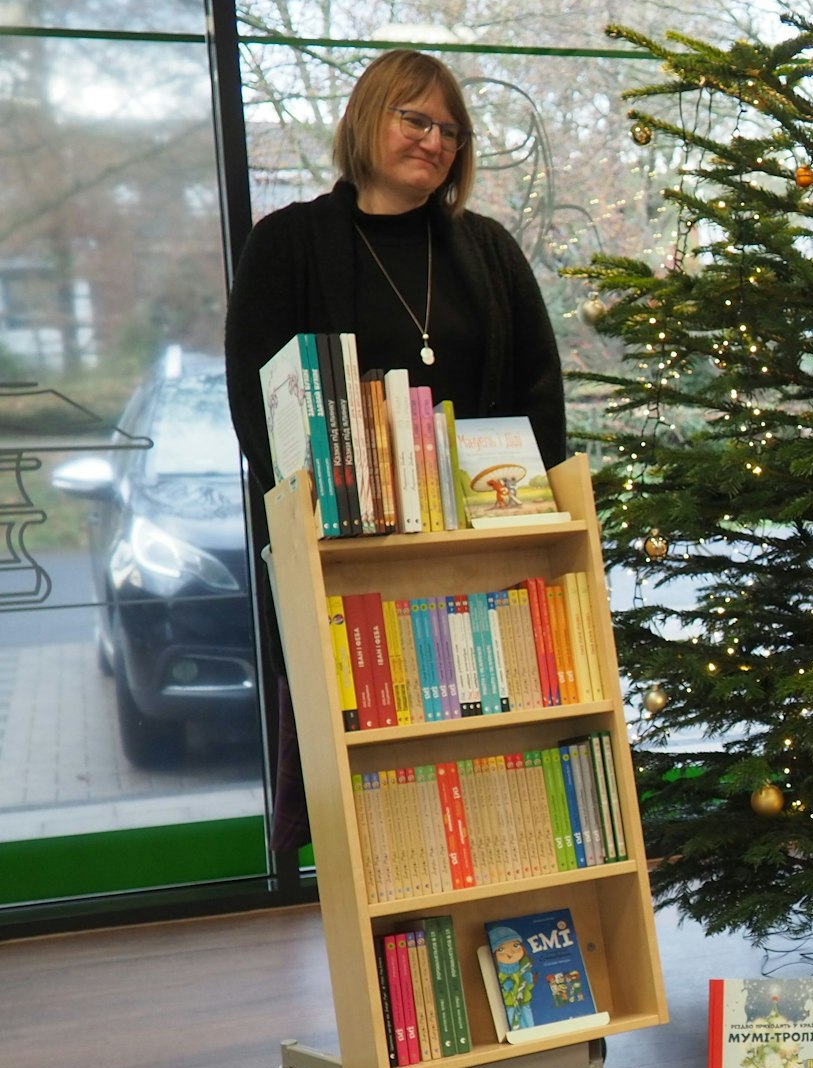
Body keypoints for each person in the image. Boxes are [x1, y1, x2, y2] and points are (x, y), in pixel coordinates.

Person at [224, 50, 568, 852]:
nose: (435, 139)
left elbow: (538, 388)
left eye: (450, 129)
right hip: (353, 559)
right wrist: (324, 505)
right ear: (365, 120)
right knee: (383, 808)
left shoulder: (487, 249)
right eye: (414, 119)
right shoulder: (289, 244)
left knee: (491, 783)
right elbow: (256, 400)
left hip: (478, 553)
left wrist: (531, 507)